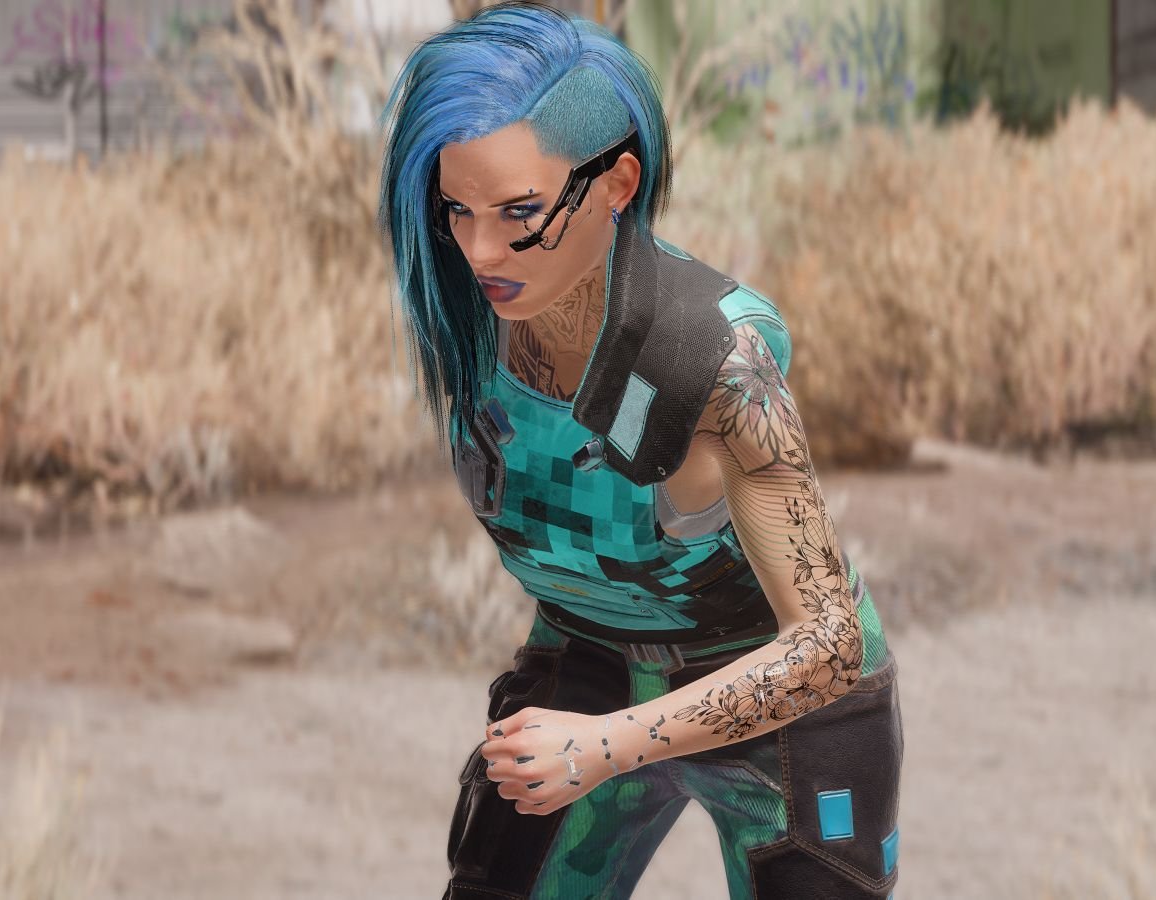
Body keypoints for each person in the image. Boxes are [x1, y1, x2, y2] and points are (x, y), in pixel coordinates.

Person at [377, 4, 901, 898]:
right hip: (591, 661)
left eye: (521, 213)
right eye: (456, 209)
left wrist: (604, 746)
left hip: (782, 701)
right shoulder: (471, 325)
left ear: (616, 185)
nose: (479, 248)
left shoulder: (717, 366)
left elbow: (827, 643)